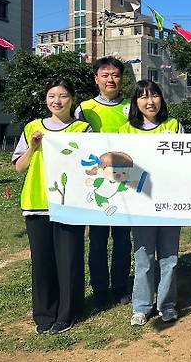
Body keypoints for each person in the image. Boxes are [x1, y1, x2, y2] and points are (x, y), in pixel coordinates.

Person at [13, 78, 91, 334]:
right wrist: (33, 147)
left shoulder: (83, 129)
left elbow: (90, 167)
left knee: (69, 259)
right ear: (46, 99)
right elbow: (18, 166)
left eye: (63, 96)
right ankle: (44, 313)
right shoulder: (32, 128)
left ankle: (67, 313)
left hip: (70, 204)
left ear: (72, 99)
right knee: (42, 261)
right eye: (51, 96)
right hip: (37, 203)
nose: (57, 101)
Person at [119, 80, 183, 326]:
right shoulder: (126, 131)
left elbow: (184, 161)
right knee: (144, 257)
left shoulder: (173, 126)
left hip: (169, 202)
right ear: (136, 103)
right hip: (141, 203)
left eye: (154, 95)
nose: (150, 101)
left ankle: (167, 304)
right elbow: (120, 167)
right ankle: (142, 306)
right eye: (143, 97)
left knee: (169, 257)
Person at [76, 56, 132, 306]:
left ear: (122, 78)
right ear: (96, 78)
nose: (111, 79)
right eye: (105, 75)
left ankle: (120, 286)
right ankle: (99, 288)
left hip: (126, 182)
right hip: (95, 183)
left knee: (122, 239)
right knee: (97, 240)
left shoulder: (132, 106)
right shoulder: (84, 108)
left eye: (116, 75)